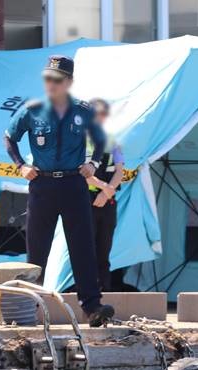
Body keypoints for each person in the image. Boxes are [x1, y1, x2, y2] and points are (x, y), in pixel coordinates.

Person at [4, 55, 113, 327]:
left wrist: (93, 163)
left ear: (69, 82)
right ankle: (27, 310)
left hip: (74, 183)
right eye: (47, 78)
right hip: (42, 184)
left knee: (82, 246)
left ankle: (92, 308)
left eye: (57, 79)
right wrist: (20, 165)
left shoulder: (83, 110)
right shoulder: (33, 109)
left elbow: (100, 139)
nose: (50, 84)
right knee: (37, 248)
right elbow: (9, 137)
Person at [86, 98, 124, 291]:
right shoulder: (79, 139)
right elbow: (80, 171)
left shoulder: (112, 140)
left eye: (103, 114)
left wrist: (107, 193)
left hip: (107, 201)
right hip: (86, 200)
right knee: (85, 252)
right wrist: (103, 188)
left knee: (104, 252)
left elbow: (120, 170)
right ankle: (86, 295)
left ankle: (105, 293)